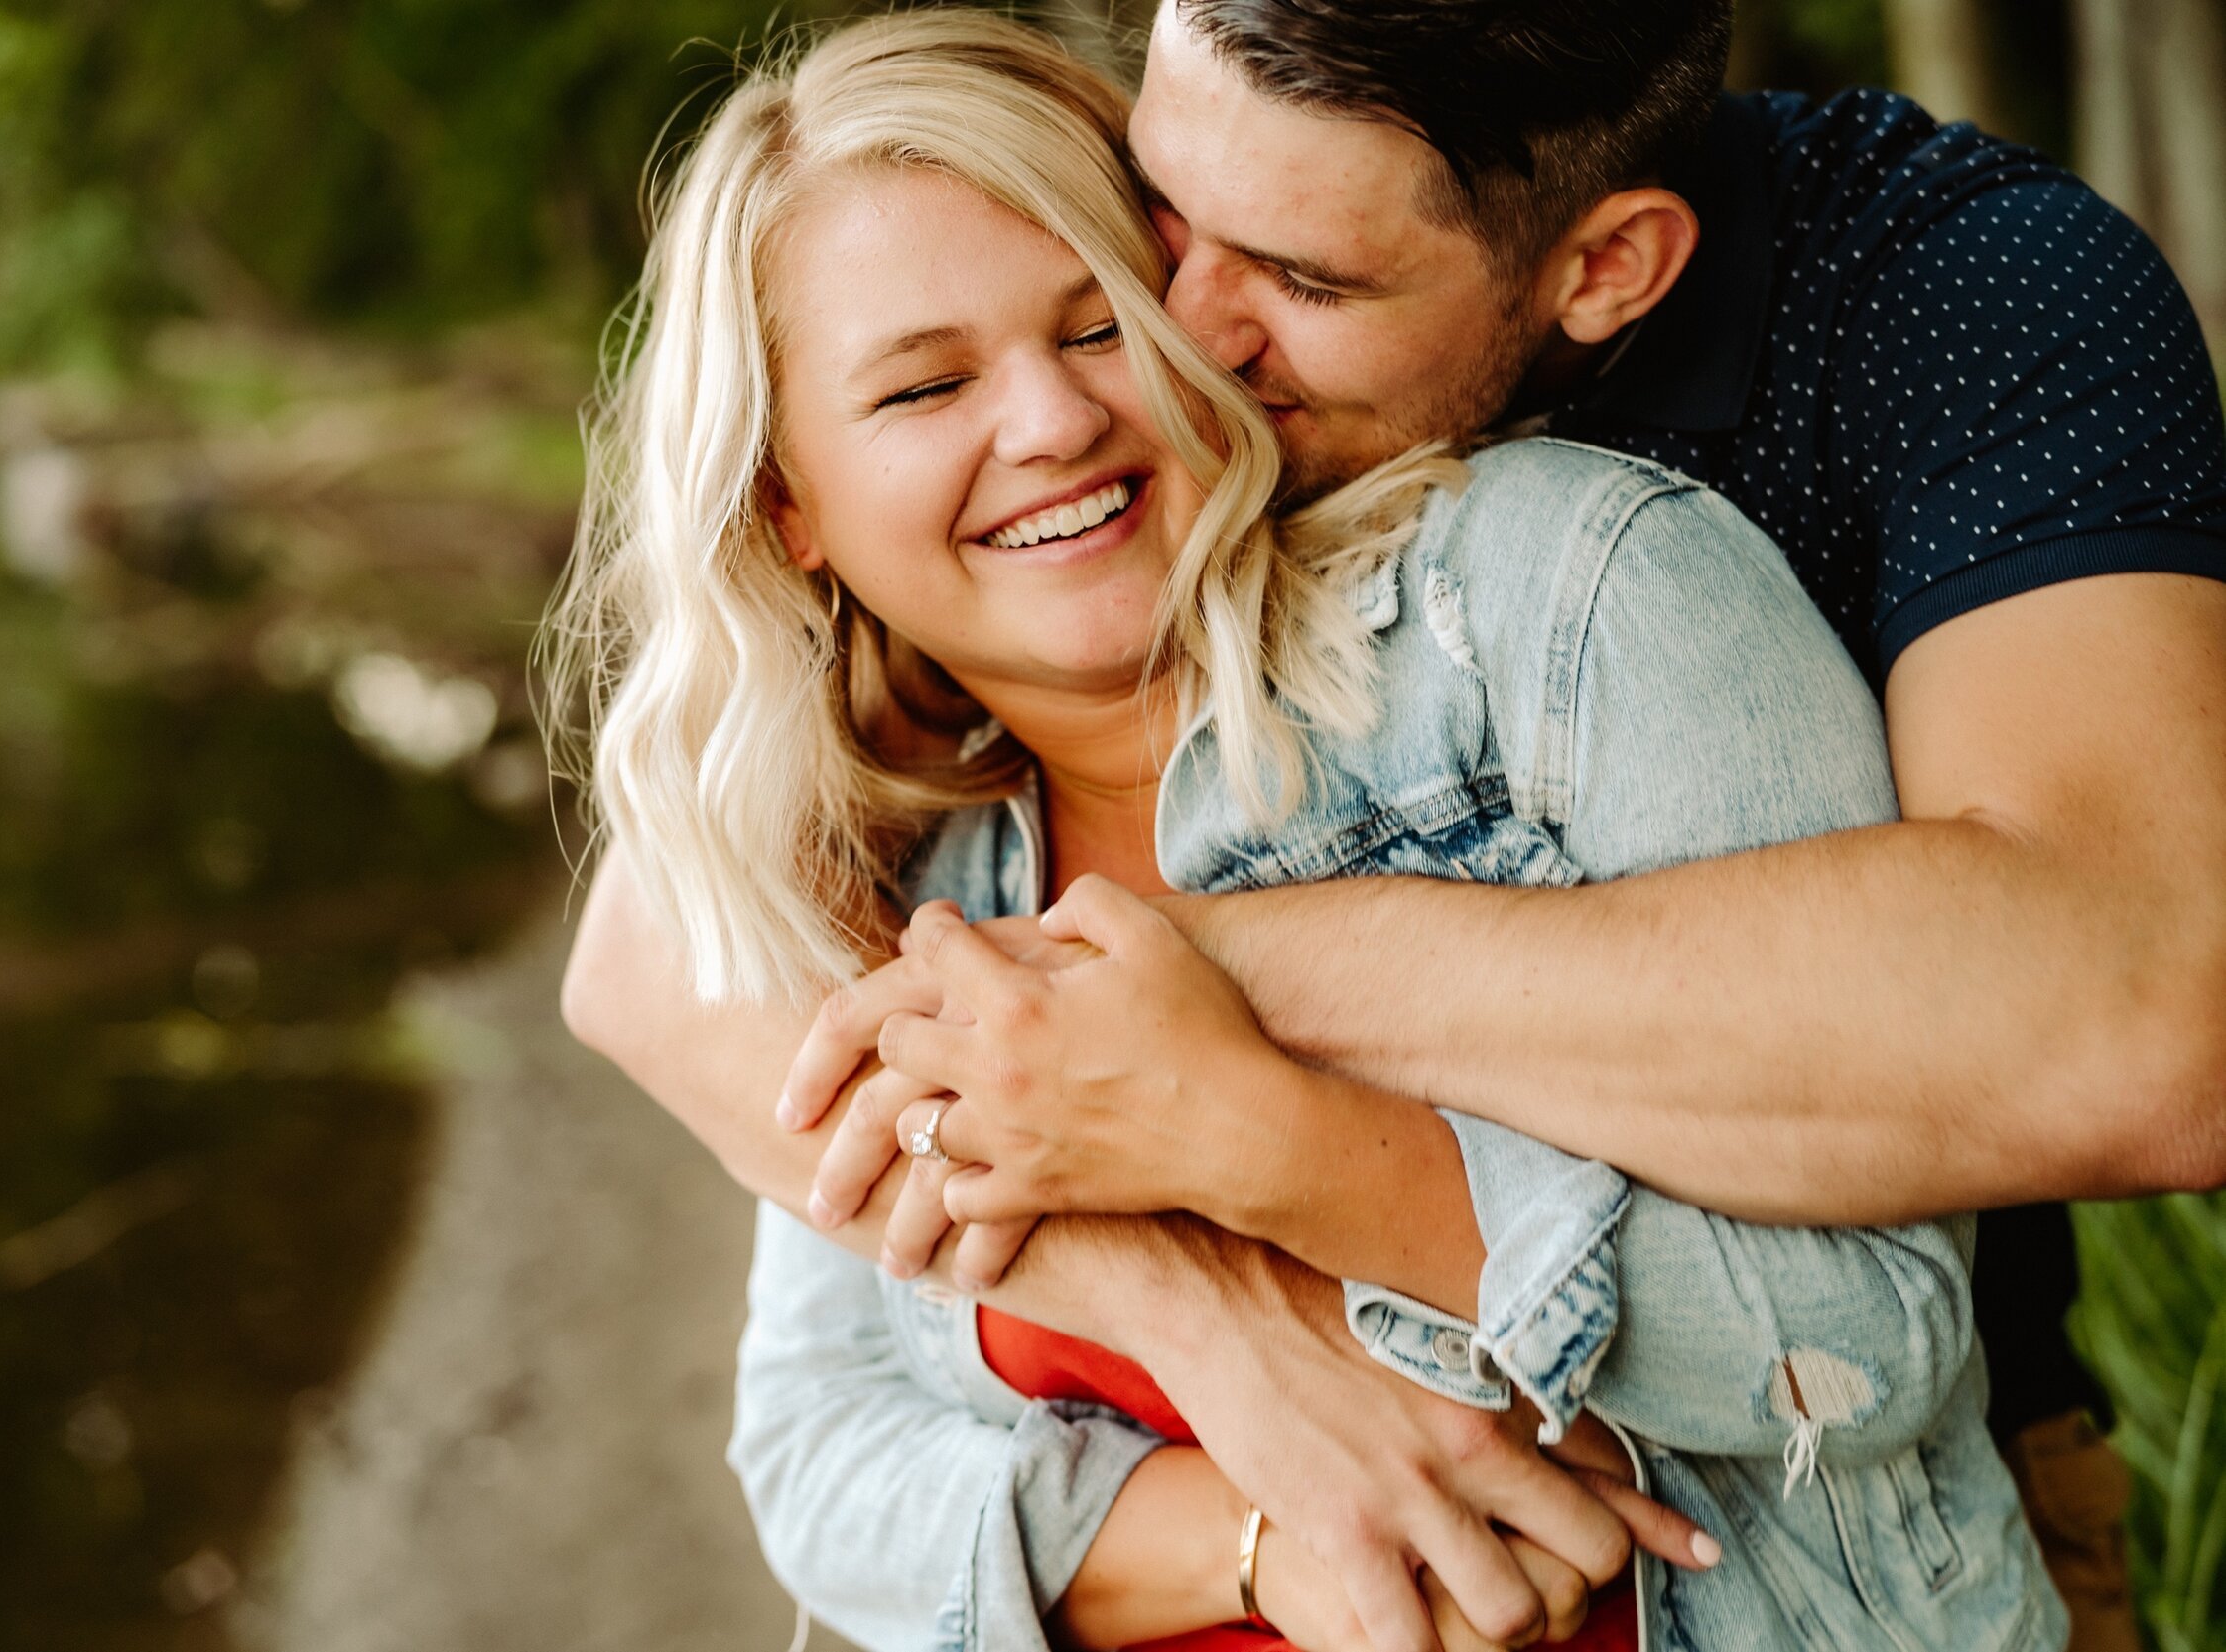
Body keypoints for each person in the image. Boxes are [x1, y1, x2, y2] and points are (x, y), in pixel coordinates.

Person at [546, 11, 2064, 1650]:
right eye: (923, 384)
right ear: (792, 506)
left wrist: (1260, 1141)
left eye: (1100, 321)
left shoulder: (1560, 604)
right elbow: (820, 1451)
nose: (1051, 422)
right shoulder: (902, 855)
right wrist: (1264, 1531)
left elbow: (1869, 1340)